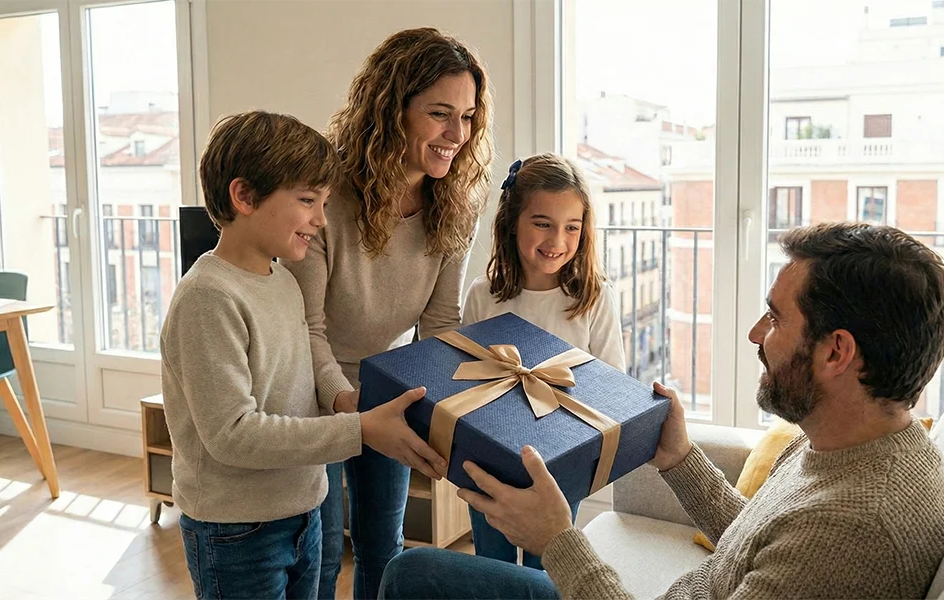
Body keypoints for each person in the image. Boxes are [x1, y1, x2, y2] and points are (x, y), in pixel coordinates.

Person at [379, 221, 944, 600]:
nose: (755, 333)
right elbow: (756, 543)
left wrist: (559, 540)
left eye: (777, 318)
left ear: (837, 353)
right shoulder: (845, 447)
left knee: (414, 577)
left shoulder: (854, 529)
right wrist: (680, 460)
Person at [161, 110, 445, 600]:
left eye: (325, 203)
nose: (319, 219)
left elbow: (302, 380)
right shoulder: (209, 299)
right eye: (308, 201)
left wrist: (346, 402)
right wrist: (358, 430)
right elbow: (232, 435)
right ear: (244, 196)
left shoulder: (284, 283)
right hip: (237, 530)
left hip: (302, 508)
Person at [280, 27, 494, 600]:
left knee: (384, 549)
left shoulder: (456, 202)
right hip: (311, 394)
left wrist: (453, 413)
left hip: (388, 387)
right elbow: (309, 328)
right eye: (440, 114)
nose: (458, 134)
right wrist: (348, 409)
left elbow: (441, 324)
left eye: (469, 116)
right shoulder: (327, 195)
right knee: (319, 558)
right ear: (390, 109)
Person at [462, 153, 626, 569]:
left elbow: (613, 385)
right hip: (489, 459)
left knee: (548, 569)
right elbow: (465, 383)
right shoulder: (484, 296)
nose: (557, 241)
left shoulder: (593, 299)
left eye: (572, 227)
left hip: (561, 463)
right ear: (511, 222)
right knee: (492, 568)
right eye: (542, 224)